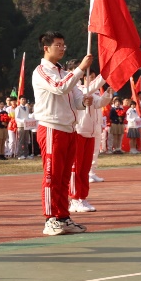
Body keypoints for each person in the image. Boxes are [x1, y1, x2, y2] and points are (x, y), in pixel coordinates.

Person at [32, 32, 91, 236]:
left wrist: (84, 101)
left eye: (63, 45)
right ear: (46, 48)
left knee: (64, 176)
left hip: (68, 128)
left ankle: (63, 216)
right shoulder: (41, 71)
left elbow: (75, 99)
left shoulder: (63, 71)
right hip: (51, 128)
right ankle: (50, 219)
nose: (62, 48)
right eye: (58, 45)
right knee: (52, 176)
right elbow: (59, 88)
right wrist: (81, 69)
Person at [69, 75, 108, 214]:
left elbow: (100, 102)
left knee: (85, 168)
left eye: (94, 76)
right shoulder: (77, 89)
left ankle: (82, 197)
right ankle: (74, 199)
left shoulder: (94, 91)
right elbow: (86, 92)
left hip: (92, 131)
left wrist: (110, 91)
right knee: (76, 168)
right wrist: (106, 75)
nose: (91, 77)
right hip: (79, 131)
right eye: (90, 75)